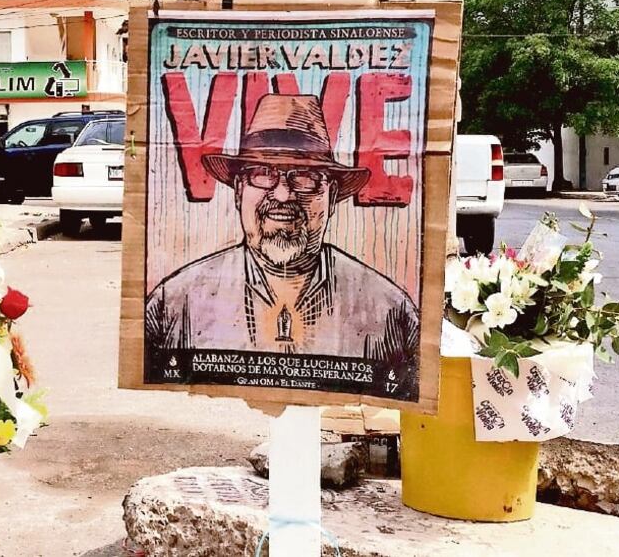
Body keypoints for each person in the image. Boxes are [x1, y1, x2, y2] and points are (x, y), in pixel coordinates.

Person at [145, 94, 419, 362]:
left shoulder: (391, 311)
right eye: (262, 173)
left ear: (331, 195)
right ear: (239, 191)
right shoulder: (173, 304)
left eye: (305, 177)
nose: (283, 195)